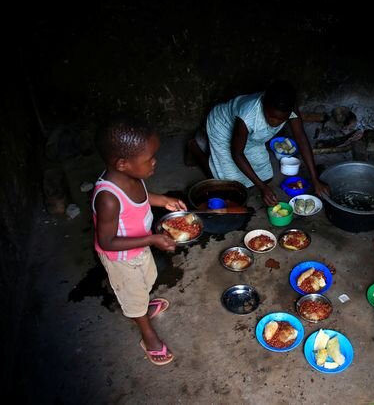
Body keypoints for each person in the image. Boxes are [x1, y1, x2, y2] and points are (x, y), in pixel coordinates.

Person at [92, 119, 187, 366]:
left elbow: (142, 200)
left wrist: (163, 200)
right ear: (122, 163)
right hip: (121, 259)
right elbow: (107, 241)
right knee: (133, 298)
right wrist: (152, 238)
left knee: (146, 279)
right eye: (150, 158)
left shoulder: (132, 176)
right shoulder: (108, 198)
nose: (155, 161)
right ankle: (148, 334)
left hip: (139, 249)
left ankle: (143, 304)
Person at [186, 80, 329, 206]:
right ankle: (195, 147)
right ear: (263, 104)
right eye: (272, 117)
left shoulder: (289, 108)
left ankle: (207, 145)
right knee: (230, 187)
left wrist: (315, 179)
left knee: (266, 177)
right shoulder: (248, 114)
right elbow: (237, 153)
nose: (275, 123)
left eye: (281, 120)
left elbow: (301, 138)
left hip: (251, 135)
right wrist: (263, 188)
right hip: (223, 125)